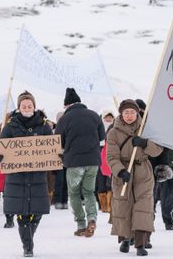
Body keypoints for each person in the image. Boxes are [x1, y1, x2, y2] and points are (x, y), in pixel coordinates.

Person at [0, 92, 52, 257]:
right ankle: (28, 246)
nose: (27, 108)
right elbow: (0, 147)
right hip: (17, 177)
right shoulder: (10, 126)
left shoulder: (43, 126)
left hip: (37, 177)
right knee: (22, 213)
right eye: (23, 106)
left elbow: (51, 147)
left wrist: (56, 155)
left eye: (29, 106)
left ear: (34, 107)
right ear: (19, 108)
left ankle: (28, 239)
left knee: (38, 211)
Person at [107, 99, 162, 256]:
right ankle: (125, 239)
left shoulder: (146, 128)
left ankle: (140, 243)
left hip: (143, 172)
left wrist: (145, 144)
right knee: (124, 206)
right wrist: (120, 171)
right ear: (121, 114)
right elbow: (111, 157)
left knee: (143, 207)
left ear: (137, 113)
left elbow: (158, 150)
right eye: (126, 112)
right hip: (124, 173)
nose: (129, 115)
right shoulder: (113, 132)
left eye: (132, 112)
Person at [55, 87, 106, 238]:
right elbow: (102, 136)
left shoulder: (64, 119)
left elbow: (58, 142)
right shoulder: (94, 115)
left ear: (67, 105)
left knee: (74, 193)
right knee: (89, 192)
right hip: (93, 161)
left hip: (74, 162)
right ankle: (92, 219)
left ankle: (81, 224)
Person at [96, 110, 115, 213]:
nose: (108, 119)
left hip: (111, 153)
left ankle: (110, 204)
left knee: (110, 181)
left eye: (110, 117)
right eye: (106, 117)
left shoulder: (115, 128)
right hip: (100, 154)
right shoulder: (98, 128)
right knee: (100, 180)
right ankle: (102, 204)